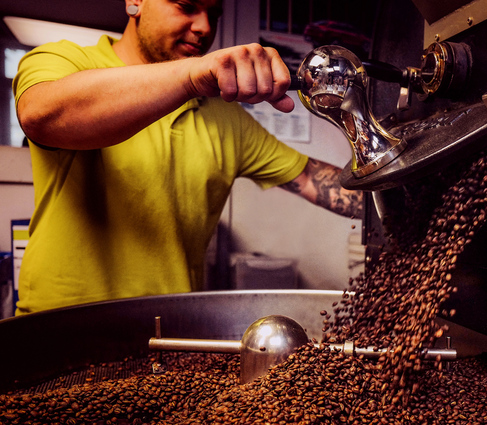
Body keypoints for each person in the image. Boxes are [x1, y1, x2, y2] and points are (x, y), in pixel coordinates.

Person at [12, 0, 362, 315]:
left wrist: (400, 191)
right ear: (135, 2)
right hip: (62, 323)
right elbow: (41, 117)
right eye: (186, 5)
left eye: (213, 13)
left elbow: (311, 180)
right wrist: (191, 75)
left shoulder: (225, 117)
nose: (205, 27)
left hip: (169, 328)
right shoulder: (64, 60)